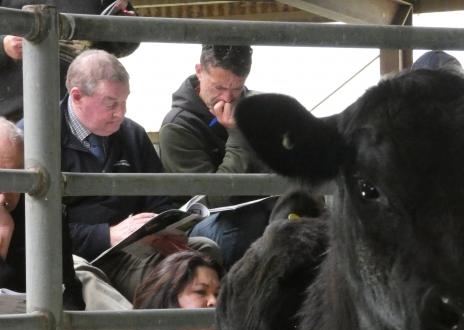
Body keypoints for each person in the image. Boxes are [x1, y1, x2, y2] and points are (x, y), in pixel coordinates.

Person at [58, 49, 219, 302]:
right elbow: (36, 226)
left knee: (207, 249)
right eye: (111, 103)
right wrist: (107, 235)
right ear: (77, 96)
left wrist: (163, 229)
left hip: (140, 245)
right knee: (171, 280)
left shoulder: (132, 134)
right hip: (89, 254)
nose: (121, 113)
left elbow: (158, 198)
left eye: (124, 102)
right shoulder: (40, 140)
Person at [0, 117, 115, 330]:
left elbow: (70, 284)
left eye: (15, 177)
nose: (6, 194)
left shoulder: (44, 210)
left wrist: (63, 322)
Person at [160, 44, 275, 269]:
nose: (228, 98)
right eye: (218, 87)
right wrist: (238, 134)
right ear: (199, 71)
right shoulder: (178, 127)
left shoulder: (258, 106)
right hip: (204, 223)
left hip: (261, 209)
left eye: (237, 88)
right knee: (238, 230)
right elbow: (212, 200)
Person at [0, 0, 138, 122]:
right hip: (11, 118)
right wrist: (4, 45)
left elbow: (126, 42)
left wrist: (125, 22)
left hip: (81, 115)